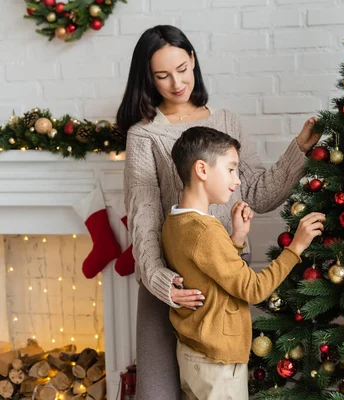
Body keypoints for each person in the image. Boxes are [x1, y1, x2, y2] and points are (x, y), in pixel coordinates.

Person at [117, 25, 321, 399]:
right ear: (148, 79)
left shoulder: (225, 121)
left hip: (222, 285)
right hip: (173, 288)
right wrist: (162, 283)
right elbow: (144, 221)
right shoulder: (144, 135)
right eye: (162, 76)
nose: (177, 82)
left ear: (193, 58)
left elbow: (257, 193)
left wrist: (300, 149)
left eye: (182, 68)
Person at [163, 126, 324, 399]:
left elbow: (210, 271)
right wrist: (295, 247)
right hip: (217, 363)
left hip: (192, 353)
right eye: (231, 169)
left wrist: (236, 238)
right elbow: (254, 289)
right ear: (202, 170)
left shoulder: (175, 221)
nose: (237, 181)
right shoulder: (205, 230)